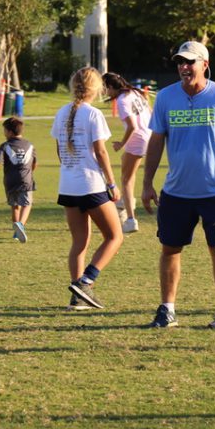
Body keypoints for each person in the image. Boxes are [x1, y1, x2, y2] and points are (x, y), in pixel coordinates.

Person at [141, 40, 215, 330]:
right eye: (180, 62)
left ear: (205, 65)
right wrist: (147, 183)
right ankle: (167, 309)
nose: (184, 67)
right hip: (176, 192)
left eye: (190, 62)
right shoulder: (166, 98)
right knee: (170, 249)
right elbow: (156, 141)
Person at [52, 67, 124, 311]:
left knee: (79, 243)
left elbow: (60, 150)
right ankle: (86, 281)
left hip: (68, 186)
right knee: (115, 236)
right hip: (91, 184)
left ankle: (77, 297)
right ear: (97, 88)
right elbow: (101, 152)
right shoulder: (93, 114)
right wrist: (112, 184)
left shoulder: (61, 113)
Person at [103, 72, 153, 234]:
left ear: (111, 87)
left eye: (105, 88)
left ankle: (131, 220)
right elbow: (150, 110)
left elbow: (132, 126)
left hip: (138, 139)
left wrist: (121, 143)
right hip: (149, 136)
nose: (105, 92)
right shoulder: (135, 92)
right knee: (126, 166)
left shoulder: (123, 101)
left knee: (126, 179)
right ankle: (124, 202)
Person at [0, 116, 36, 243]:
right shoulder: (30, 145)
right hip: (26, 179)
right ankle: (20, 225)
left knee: (15, 206)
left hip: (10, 181)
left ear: (9, 132)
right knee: (27, 204)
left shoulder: (5, 146)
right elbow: (34, 162)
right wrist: (31, 171)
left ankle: (16, 233)